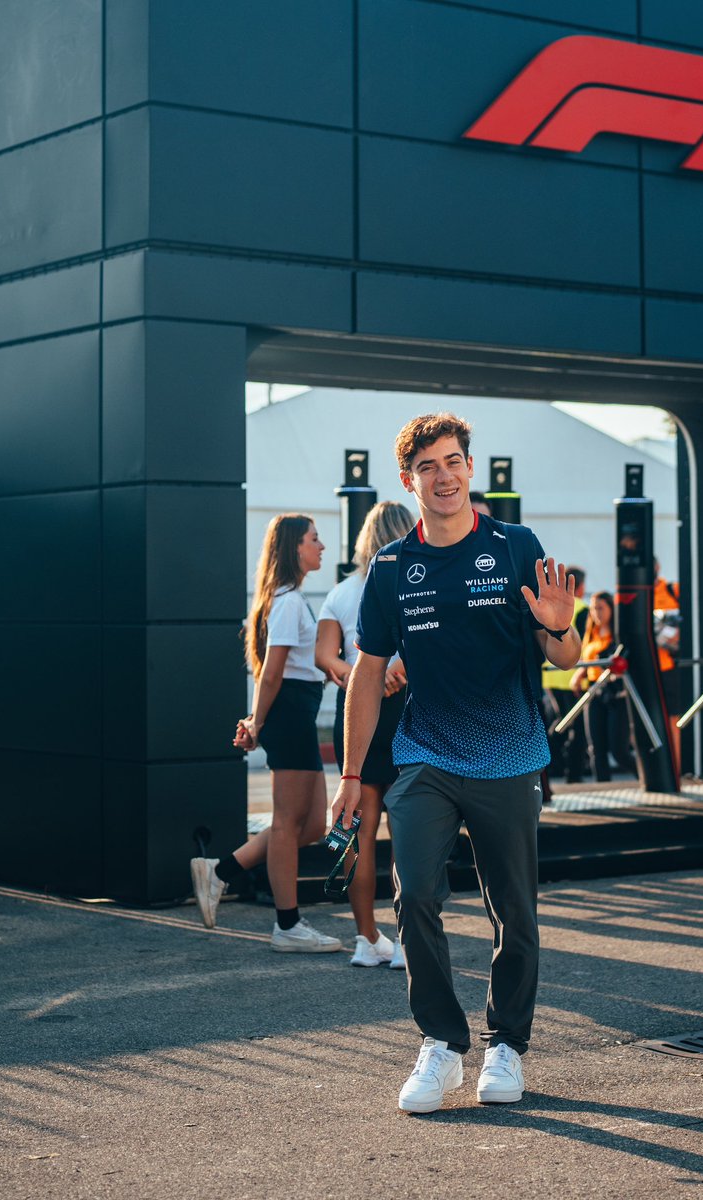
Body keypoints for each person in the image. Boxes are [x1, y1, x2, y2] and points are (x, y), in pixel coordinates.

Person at [332, 412, 580, 1114]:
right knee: (414, 894)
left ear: (469, 468)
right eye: (427, 467)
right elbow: (366, 674)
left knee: (514, 911)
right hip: (425, 758)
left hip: (509, 756)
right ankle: (441, 1043)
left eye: (452, 462)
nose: (443, 476)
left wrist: (561, 625)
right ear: (408, 480)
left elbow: (565, 657)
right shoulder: (391, 568)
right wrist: (349, 775)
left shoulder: (516, 546)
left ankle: (507, 1046)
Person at [189, 513, 341, 953]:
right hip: (289, 714)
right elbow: (271, 674)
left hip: (298, 712)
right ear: (294, 546)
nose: (321, 547)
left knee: (311, 825)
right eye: (314, 539)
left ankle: (220, 872)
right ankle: (287, 925)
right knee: (288, 823)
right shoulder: (288, 602)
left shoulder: (291, 599)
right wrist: (256, 721)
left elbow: (292, 667)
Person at [315, 501, 415, 969]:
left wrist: (352, 674)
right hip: (405, 705)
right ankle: (408, 941)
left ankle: (366, 937)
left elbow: (324, 656)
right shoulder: (414, 578)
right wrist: (394, 672)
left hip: (356, 710)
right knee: (409, 829)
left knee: (358, 828)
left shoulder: (341, 591)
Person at [570, 591, 633, 781]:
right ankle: (602, 784)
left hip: (615, 693)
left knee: (618, 749)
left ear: (611, 609)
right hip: (593, 691)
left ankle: (645, 775)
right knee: (596, 748)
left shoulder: (619, 634)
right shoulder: (591, 632)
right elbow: (587, 660)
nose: (596, 613)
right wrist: (579, 674)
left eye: (600, 608)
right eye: (593, 608)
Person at [543, 565, 589, 782]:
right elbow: (585, 644)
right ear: (580, 587)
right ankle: (573, 774)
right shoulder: (582, 609)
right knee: (577, 727)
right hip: (573, 676)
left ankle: (555, 765)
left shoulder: (549, 605)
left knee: (562, 720)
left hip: (551, 675)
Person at [654, 558, 682, 776]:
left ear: (657, 567)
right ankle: (658, 769)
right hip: (643, 668)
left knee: (673, 718)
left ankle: (675, 769)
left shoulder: (672, 590)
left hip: (668, 667)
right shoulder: (633, 594)